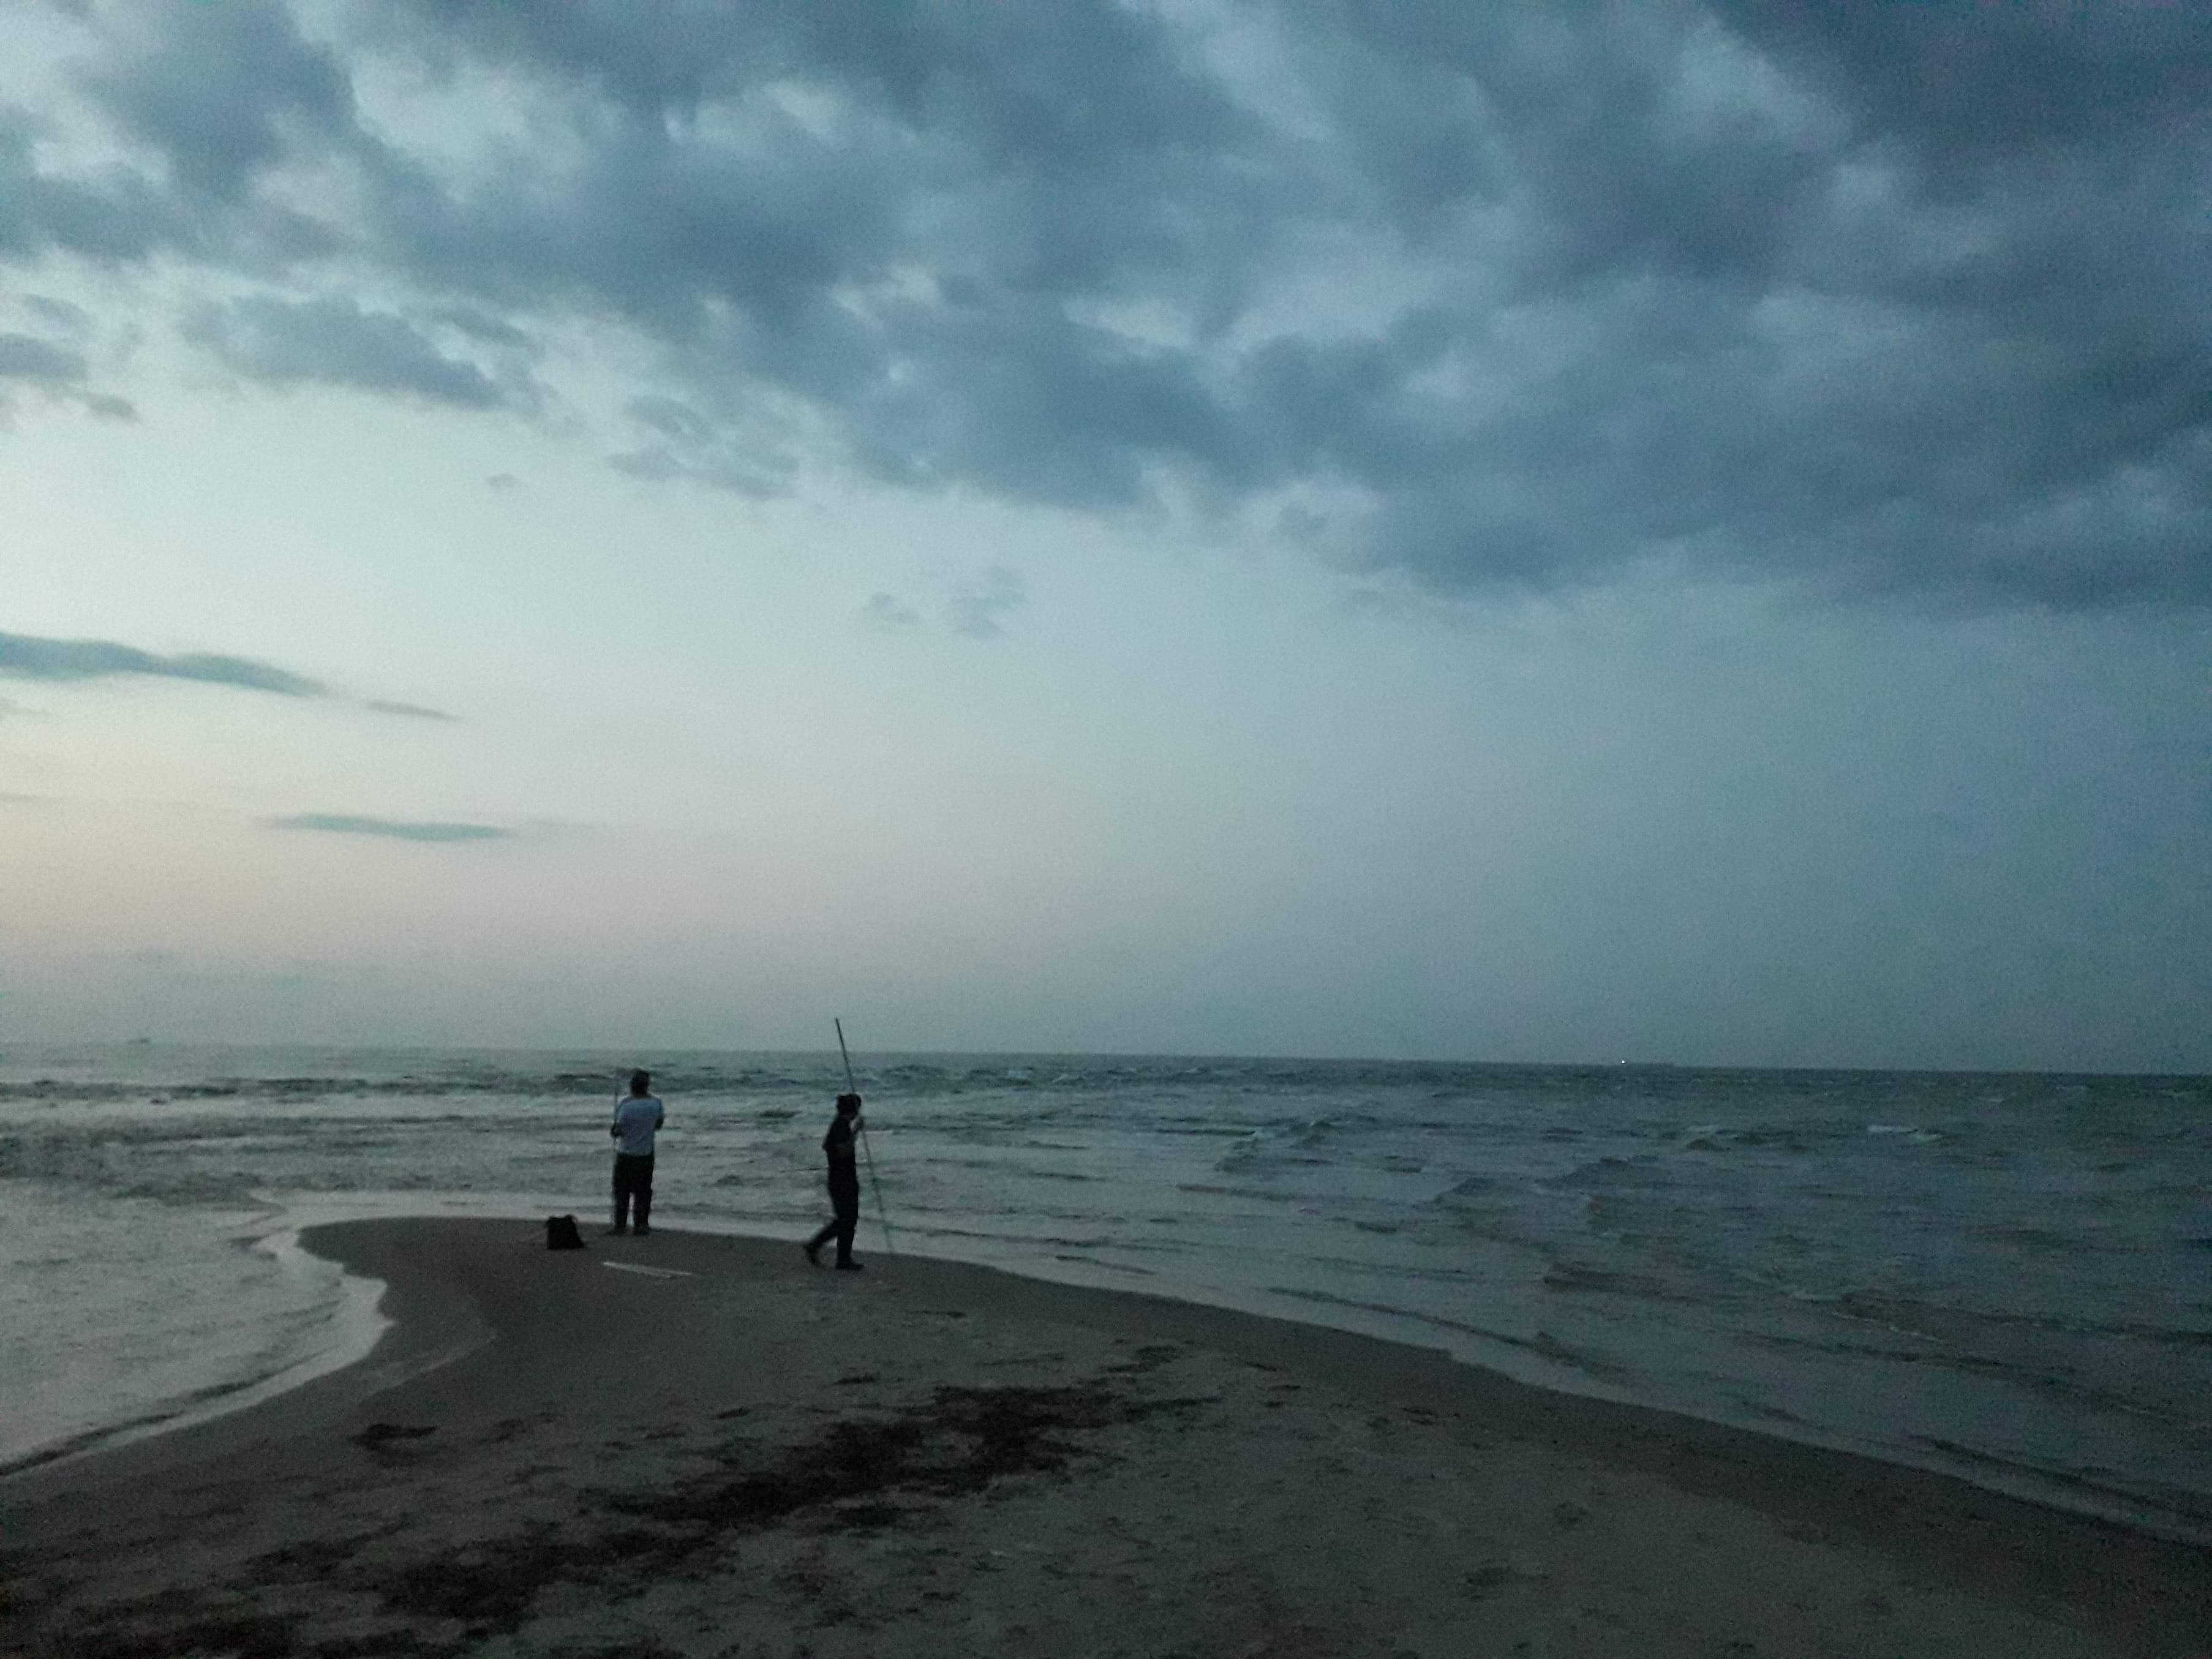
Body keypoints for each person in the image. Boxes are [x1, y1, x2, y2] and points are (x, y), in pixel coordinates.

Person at [803, 1091, 865, 1270]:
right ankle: (818, 1246)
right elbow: (843, 1150)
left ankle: (842, 1258)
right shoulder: (841, 1126)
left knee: (848, 1220)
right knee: (846, 1220)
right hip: (842, 1180)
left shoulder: (839, 1125)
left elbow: (827, 1146)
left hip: (841, 1178)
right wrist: (856, 1131)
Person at [609, 1069, 665, 1235]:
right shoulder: (656, 1104)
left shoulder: (626, 1105)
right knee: (643, 1191)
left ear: (632, 1087)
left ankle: (620, 1225)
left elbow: (617, 1131)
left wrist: (614, 1130)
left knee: (622, 1191)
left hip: (626, 1154)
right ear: (647, 1086)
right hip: (646, 1154)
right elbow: (659, 1125)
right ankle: (641, 1225)